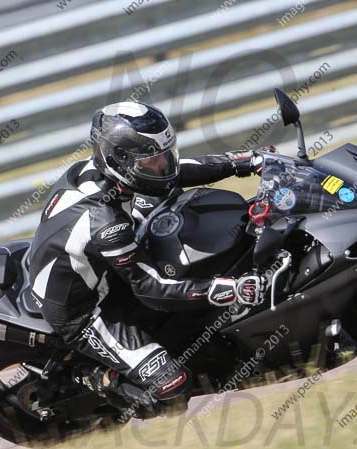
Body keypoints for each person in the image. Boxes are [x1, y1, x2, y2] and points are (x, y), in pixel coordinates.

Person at [27, 101, 269, 417]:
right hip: (83, 312)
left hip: (95, 267)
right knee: (172, 388)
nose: (164, 166)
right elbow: (151, 289)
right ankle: (95, 377)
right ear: (121, 160)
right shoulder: (107, 224)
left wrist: (243, 162)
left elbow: (177, 173)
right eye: (154, 161)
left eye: (166, 154)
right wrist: (227, 289)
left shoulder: (101, 170)